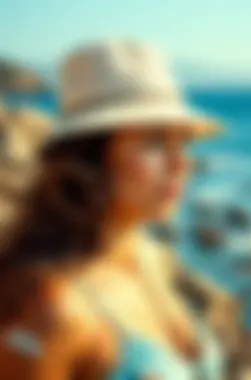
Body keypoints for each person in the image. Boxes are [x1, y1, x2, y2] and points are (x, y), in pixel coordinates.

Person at [0, 40, 223, 380]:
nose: (182, 163)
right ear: (90, 160)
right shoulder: (54, 310)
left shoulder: (151, 256)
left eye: (183, 142)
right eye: (154, 142)